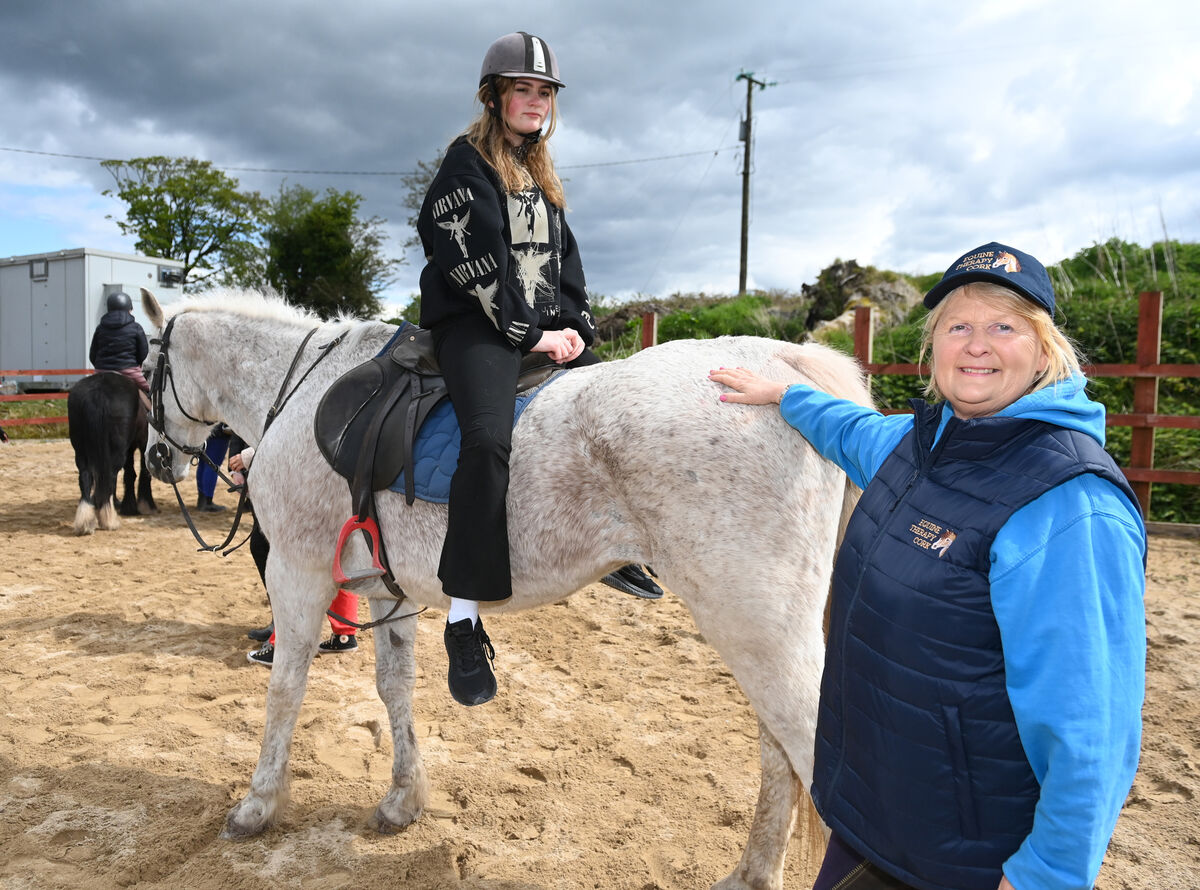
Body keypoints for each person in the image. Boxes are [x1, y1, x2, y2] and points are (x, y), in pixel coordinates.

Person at [709, 242, 1146, 890]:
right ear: (933, 344)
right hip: (872, 813)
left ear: (1045, 350)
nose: (977, 345)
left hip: (963, 859)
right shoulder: (921, 445)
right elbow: (851, 429)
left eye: (1004, 326)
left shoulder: (1069, 505)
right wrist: (787, 394)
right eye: (958, 326)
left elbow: (1091, 729)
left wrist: (1047, 876)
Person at [418, 31, 658, 708]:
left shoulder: (543, 177)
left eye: (544, 92)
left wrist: (576, 328)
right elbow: (478, 273)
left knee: (625, 415)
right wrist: (534, 335)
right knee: (488, 441)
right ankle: (463, 619)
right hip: (478, 328)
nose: (534, 101)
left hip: (548, 330)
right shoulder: (464, 168)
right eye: (522, 89)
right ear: (494, 97)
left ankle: (620, 543)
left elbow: (567, 267)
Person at [227, 439, 361, 667]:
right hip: (333, 481)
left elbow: (297, 431)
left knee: (293, 565)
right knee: (332, 556)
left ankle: (282, 645)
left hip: (309, 481)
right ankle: (344, 634)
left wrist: (250, 457)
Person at [89, 291, 149, 393]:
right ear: (129, 308)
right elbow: (144, 355)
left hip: (102, 372)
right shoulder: (136, 328)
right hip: (130, 371)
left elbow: (92, 355)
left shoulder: (100, 328)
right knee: (153, 391)